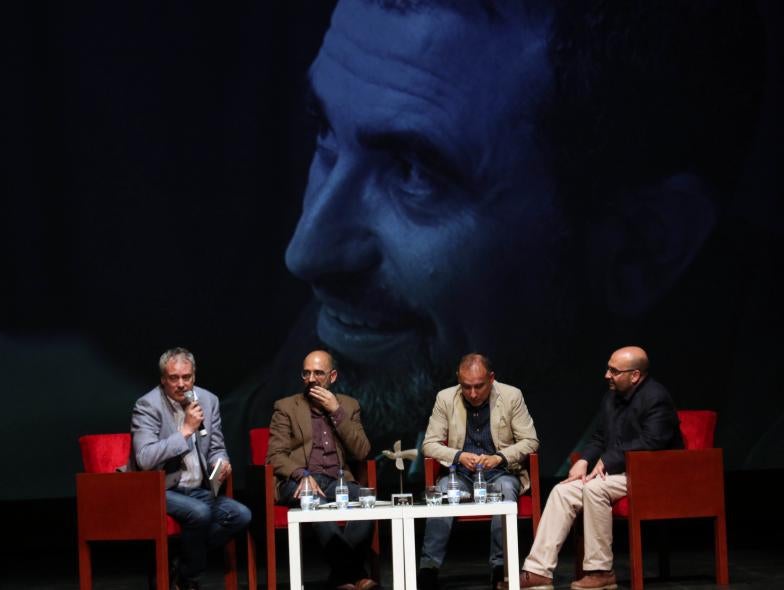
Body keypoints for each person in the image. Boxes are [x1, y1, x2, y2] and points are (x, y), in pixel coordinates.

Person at [265, 0, 768, 470]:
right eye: (325, 133)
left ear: (643, 246)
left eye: (415, 172)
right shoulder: (348, 339)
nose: (307, 251)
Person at [510, 346, 683, 590]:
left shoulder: (656, 398)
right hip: (621, 473)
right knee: (562, 491)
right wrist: (584, 459)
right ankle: (539, 571)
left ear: (635, 375)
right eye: (608, 368)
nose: (607, 375)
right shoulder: (611, 397)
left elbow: (652, 441)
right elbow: (600, 437)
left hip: (650, 475)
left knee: (594, 489)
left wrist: (609, 459)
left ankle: (601, 571)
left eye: (614, 370)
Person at [130, 347, 251, 590]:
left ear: (194, 376)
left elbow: (216, 446)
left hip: (197, 488)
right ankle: (191, 579)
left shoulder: (208, 400)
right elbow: (144, 459)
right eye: (174, 378)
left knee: (241, 515)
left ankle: (181, 569)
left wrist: (220, 463)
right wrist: (185, 431)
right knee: (200, 513)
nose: (181, 384)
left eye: (186, 377)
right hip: (161, 488)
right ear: (163, 380)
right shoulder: (147, 405)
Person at [417, 353, 539, 590]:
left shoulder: (511, 396)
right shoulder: (445, 398)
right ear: (458, 380)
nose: (472, 393)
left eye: (478, 387)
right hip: (459, 474)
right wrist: (458, 455)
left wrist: (499, 457)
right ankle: (428, 569)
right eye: (466, 387)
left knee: (505, 490)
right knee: (442, 493)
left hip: (501, 472)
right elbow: (429, 444)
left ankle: (499, 569)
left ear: (491, 379)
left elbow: (530, 441)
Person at [266, 350, 377, 590]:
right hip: (300, 480)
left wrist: (336, 411)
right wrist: (301, 475)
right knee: (313, 501)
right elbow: (274, 455)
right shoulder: (286, 407)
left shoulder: (349, 405)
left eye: (318, 373)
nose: (312, 379)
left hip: (338, 481)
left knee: (367, 500)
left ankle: (341, 576)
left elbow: (361, 451)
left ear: (332, 376)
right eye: (306, 373)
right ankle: (354, 572)